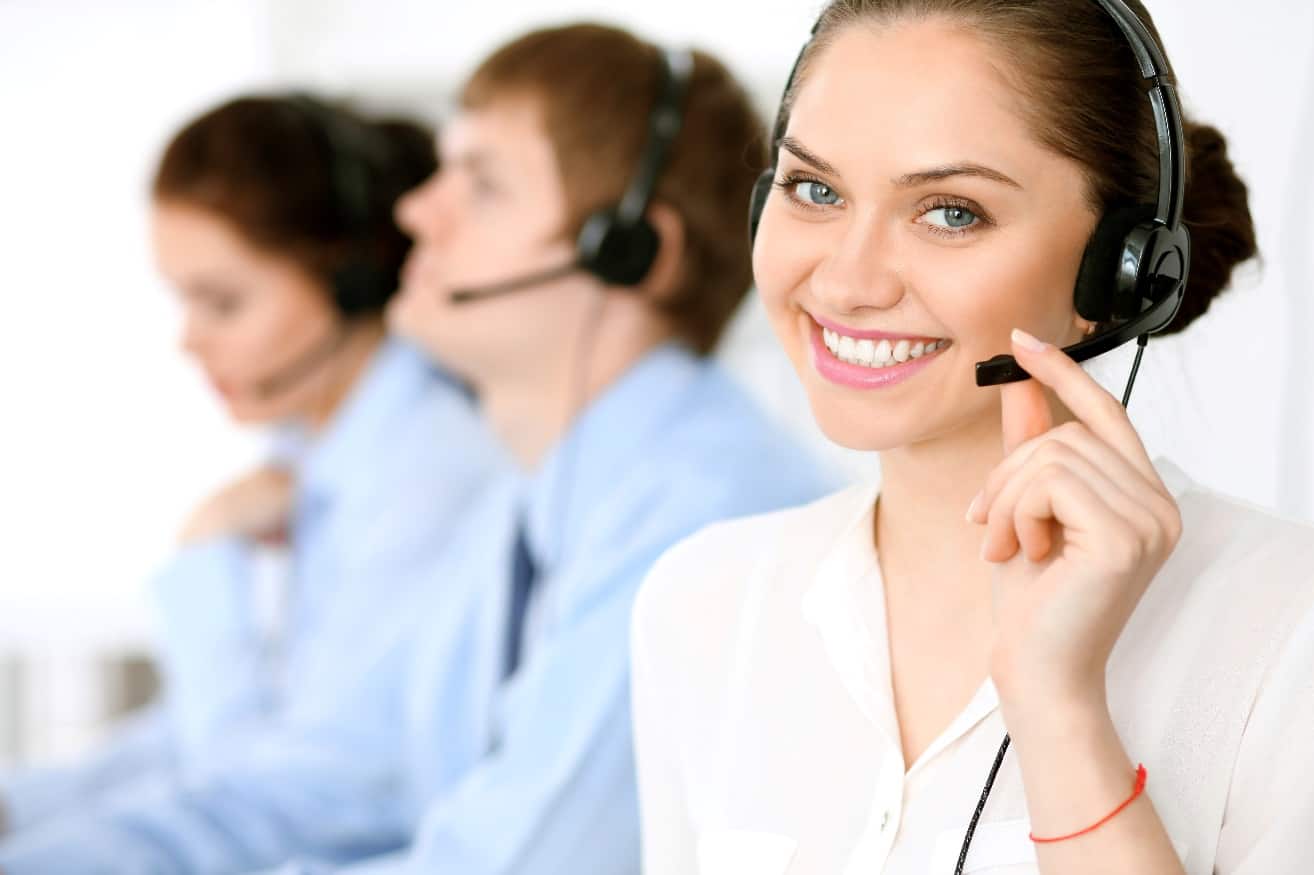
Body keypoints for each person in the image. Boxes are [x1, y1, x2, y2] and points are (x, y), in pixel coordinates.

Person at [0, 25, 834, 874]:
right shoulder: (533, 501)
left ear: (629, 252)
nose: (414, 213)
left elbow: (519, 862)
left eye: (483, 186)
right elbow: (332, 778)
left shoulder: (696, 511)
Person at [632, 1, 1313, 873]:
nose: (847, 281)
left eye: (951, 212)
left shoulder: (1288, 629)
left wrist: (1059, 711)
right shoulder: (702, 601)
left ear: (1122, 269)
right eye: (816, 189)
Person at [0, 94, 501, 854]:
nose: (189, 340)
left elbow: (284, 793)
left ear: (351, 279)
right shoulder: (318, 454)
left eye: (223, 302)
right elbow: (187, 744)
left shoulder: (424, 473)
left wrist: (207, 559)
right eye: (184, 300)